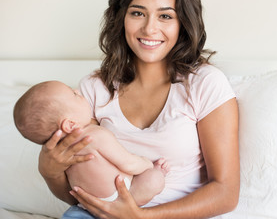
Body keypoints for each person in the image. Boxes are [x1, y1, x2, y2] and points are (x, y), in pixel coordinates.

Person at [37, 0, 240, 218]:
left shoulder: (204, 83)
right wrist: (50, 172)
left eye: (165, 16)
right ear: (121, 18)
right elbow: (81, 192)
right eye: (137, 13)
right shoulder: (93, 89)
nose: (149, 29)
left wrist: (140, 216)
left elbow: (226, 193)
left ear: (182, 23)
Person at [13, 80, 170, 218]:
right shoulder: (95, 136)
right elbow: (128, 163)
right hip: (122, 198)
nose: (78, 91)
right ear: (70, 124)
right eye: (74, 94)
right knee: (154, 180)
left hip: (86, 208)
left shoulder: (60, 152)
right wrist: (149, 165)